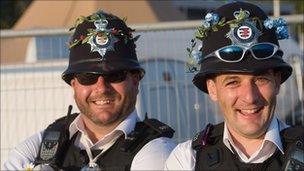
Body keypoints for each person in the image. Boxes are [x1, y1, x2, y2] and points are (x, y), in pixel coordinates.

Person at [4, 10, 176, 170]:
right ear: (74, 85)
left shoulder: (157, 150)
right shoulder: (45, 144)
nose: (101, 88)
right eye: (88, 77)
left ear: (135, 81)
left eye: (115, 75)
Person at [165, 1, 304, 170]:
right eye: (233, 82)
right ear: (212, 89)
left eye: (261, 79)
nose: (249, 97)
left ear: (277, 81)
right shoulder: (188, 160)